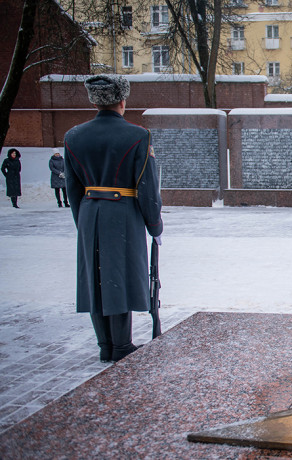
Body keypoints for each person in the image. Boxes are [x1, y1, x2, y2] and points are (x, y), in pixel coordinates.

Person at [64, 75, 163, 362]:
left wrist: (82, 221)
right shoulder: (137, 135)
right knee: (118, 276)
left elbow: (73, 188)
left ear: (94, 101)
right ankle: (121, 346)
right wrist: (154, 225)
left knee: (96, 277)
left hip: (89, 211)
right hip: (123, 213)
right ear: (122, 101)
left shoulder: (73, 136)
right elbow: (147, 188)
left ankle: (105, 345)